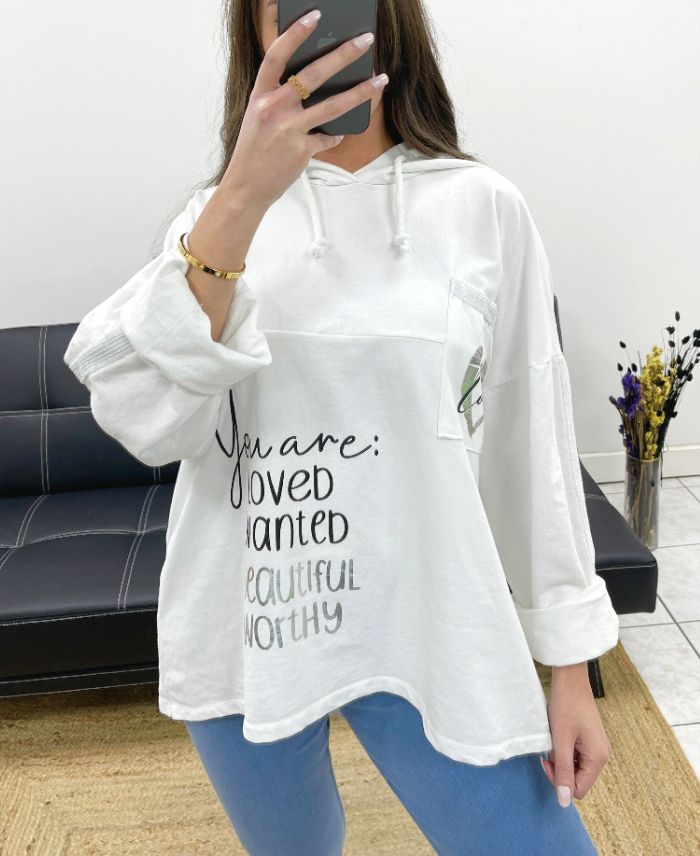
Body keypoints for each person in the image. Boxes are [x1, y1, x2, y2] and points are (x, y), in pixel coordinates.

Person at [63, 1, 619, 853]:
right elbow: (143, 419)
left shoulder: (483, 209)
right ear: (256, 33)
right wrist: (243, 196)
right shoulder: (214, 220)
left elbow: (529, 448)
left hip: (431, 621)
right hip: (251, 629)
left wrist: (571, 668)